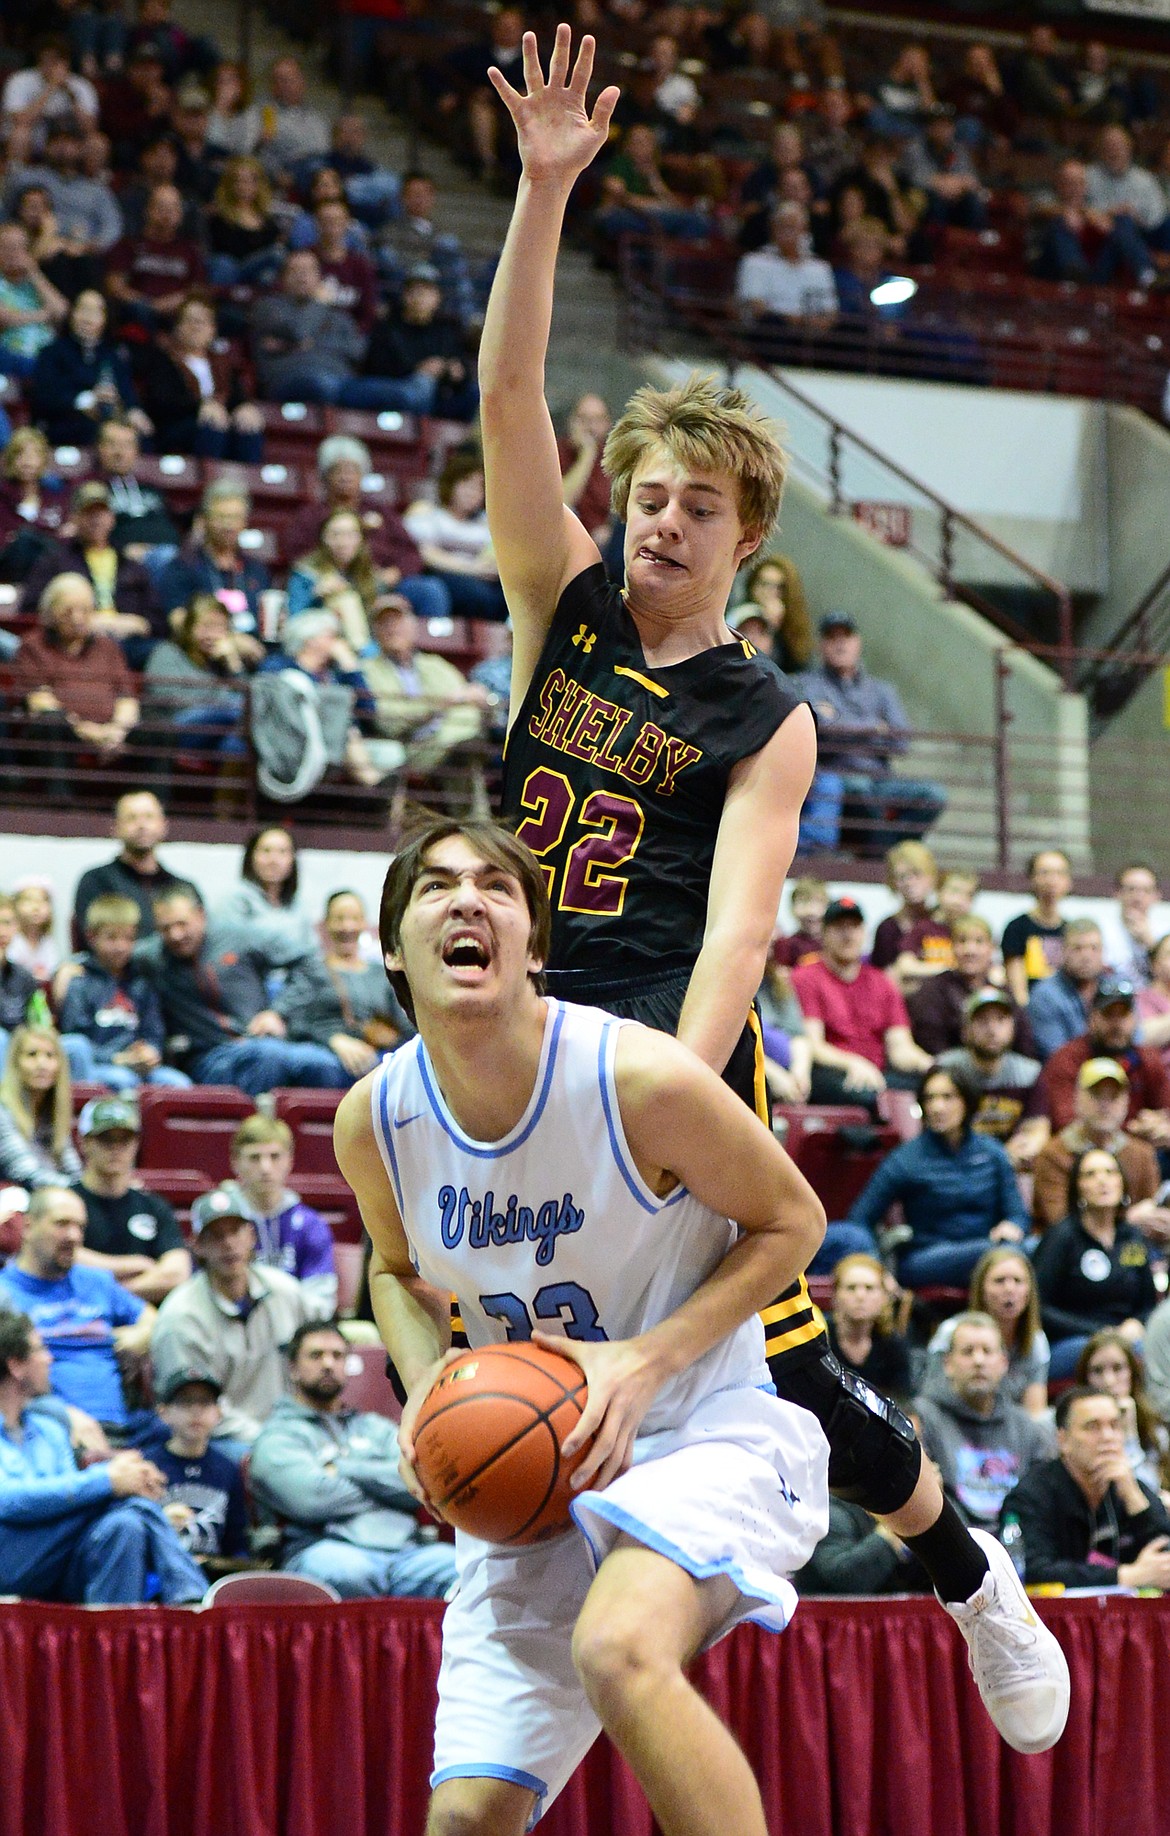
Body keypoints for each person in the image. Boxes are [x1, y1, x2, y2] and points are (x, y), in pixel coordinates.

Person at [478, 32, 1066, 1762]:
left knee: (790, 1369)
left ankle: (967, 1572)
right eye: (646, 495)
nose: (658, 521)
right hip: (518, 1039)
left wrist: (655, 1095)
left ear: (749, 540)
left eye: (695, 507)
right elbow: (510, 404)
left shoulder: (766, 715)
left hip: (667, 1054)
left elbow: (739, 928)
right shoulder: (559, 607)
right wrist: (541, 194)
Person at [0, 1309, 204, 1605]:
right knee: (126, 1502)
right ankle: (190, 1596)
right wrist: (109, 1480)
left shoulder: (49, 1430)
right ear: (16, 1365)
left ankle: (112, 1647)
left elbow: (70, 1506)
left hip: (56, 1558)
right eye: (40, 1349)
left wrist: (112, 1485)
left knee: (125, 1526)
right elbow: (8, 1502)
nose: (50, 1358)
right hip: (9, 1559)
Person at [250, 1318, 458, 1598]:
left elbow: (422, 1482)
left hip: (409, 1554)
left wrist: (342, 1469)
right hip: (328, 1550)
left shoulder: (376, 1428)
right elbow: (312, 1498)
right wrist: (386, 1487)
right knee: (348, 1572)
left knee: (458, 1567)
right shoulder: (278, 1435)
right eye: (315, 1355)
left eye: (337, 1356)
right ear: (293, 1368)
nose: (328, 1364)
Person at [139, 884, 352, 1094]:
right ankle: (252, 1129)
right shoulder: (152, 956)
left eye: (182, 924)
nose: (175, 935)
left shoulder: (239, 938)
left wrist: (278, 1012)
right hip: (209, 1056)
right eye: (165, 928)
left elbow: (309, 962)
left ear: (201, 915)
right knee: (269, 1055)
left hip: (262, 1041)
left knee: (326, 1064)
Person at [150, 1184, 312, 1452]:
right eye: (215, 1235)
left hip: (293, 1430)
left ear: (251, 1236)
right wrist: (268, 1439)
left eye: (235, 1231)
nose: (228, 1243)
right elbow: (191, 1411)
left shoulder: (287, 1292)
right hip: (221, 1441)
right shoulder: (180, 1317)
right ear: (197, 1246)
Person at [847, 1063, 1029, 1290]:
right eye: (930, 1098)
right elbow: (859, 1219)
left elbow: (1018, 1214)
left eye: (947, 1097)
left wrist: (1012, 1225)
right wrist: (875, 1267)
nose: (937, 1107)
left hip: (992, 1249)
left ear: (968, 1101)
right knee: (1003, 1255)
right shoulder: (906, 1158)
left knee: (1038, 1247)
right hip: (929, 1257)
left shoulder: (992, 1153)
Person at [0, 1184, 155, 1434]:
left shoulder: (96, 1281)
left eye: (80, 1227)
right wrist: (60, 1415)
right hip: (53, 1427)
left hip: (127, 1424)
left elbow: (153, 1319)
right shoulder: (4, 1294)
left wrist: (139, 1335)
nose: (74, 1236)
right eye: (62, 1224)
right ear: (28, 1227)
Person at [793, 613, 946, 852]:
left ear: (858, 642)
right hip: (835, 776)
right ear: (821, 645)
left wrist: (841, 723)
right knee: (858, 789)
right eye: (832, 637)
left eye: (847, 636)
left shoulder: (883, 690)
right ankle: (886, 854)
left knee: (933, 795)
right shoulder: (806, 684)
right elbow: (819, 727)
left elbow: (901, 742)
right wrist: (875, 727)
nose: (840, 643)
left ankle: (885, 850)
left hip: (880, 779)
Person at [1008, 1388, 1170, 1591]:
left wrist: (1134, 1498)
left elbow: (1165, 1560)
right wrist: (1126, 1575)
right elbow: (1031, 1569)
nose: (1107, 1436)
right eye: (1092, 1427)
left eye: (1115, 1425)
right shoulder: (1031, 1495)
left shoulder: (1131, 1487)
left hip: (1126, 1618)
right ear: (1063, 1440)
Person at [913, 1313, 1052, 1531]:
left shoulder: (1026, 1427)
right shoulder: (924, 1417)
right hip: (950, 1539)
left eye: (987, 1352)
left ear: (1003, 1363)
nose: (979, 1361)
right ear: (948, 1364)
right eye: (968, 1352)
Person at [791, 896, 931, 1111]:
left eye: (854, 927)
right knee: (872, 1097)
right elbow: (814, 1045)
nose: (848, 935)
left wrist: (931, 1066)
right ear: (824, 933)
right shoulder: (805, 978)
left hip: (877, 1075)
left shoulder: (882, 982)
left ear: (864, 932)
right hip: (832, 1072)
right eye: (839, 927)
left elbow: (900, 1047)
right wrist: (853, 1063)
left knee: (931, 1090)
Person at [1033, 1147, 1160, 1378]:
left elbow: (1148, 1304)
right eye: (1090, 1174)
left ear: (1122, 1184)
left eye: (1110, 1172)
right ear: (1077, 1188)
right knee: (1128, 1354)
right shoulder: (1062, 1237)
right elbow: (1039, 1307)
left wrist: (1137, 1324)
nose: (1103, 1180)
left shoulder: (1132, 1238)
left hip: (1126, 1339)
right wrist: (1102, 1333)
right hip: (1072, 1342)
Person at [11, 572, 139, 792]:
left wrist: (116, 731)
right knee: (50, 723)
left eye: (85, 610)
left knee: (160, 732)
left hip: (112, 732)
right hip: (66, 731)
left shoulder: (107, 647)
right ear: (49, 613)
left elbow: (127, 698)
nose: (77, 618)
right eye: (68, 611)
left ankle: (149, 815)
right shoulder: (32, 646)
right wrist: (91, 732)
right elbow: (40, 702)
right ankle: (61, 811)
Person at [271, 890, 411, 1086]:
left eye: (354, 918)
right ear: (326, 924)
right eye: (339, 918)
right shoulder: (311, 969)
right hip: (324, 1053)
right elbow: (293, 1021)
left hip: (376, 1052)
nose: (347, 926)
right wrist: (334, 1040)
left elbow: (405, 1024)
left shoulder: (383, 974)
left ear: (364, 923)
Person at [18, 481, 163, 666]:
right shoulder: (54, 561)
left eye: (102, 512)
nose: (96, 519)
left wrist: (138, 623)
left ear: (112, 517)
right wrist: (86, 622)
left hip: (129, 643)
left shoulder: (131, 565)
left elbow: (157, 620)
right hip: (74, 644)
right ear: (74, 518)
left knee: (162, 652)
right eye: (88, 513)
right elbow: (31, 610)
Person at [363, 593, 490, 799]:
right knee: (465, 752)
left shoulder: (436, 665)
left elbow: (468, 700)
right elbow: (389, 721)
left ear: (414, 626)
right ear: (375, 631)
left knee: (464, 752)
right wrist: (443, 703)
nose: (391, 628)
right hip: (411, 747)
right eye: (384, 623)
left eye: (398, 621)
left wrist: (480, 698)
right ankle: (476, 826)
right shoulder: (368, 670)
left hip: (451, 742)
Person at [58, 894, 190, 1091]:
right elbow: (76, 1043)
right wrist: (115, 1058)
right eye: (111, 938)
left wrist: (150, 1052)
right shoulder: (80, 982)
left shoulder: (141, 984)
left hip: (139, 1068)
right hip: (99, 1067)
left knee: (179, 1084)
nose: (120, 947)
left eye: (128, 938)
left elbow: (154, 1033)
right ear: (92, 937)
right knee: (122, 1080)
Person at [71, 1095, 191, 1303]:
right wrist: (132, 1264)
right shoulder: (67, 1202)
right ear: (84, 1143)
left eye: (124, 1139)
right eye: (106, 1139)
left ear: (136, 1144)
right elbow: (62, 1257)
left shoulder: (154, 1206)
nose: (116, 1148)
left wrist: (115, 1295)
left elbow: (176, 1272)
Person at [1031, 1058, 1165, 1238]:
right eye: (1096, 1095)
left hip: (1130, 1247)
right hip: (1068, 1253)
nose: (1105, 1105)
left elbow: (1151, 1209)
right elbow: (1059, 1220)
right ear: (1077, 1097)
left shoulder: (1142, 1153)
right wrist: (1129, 1220)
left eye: (1114, 1096)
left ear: (1126, 1102)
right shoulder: (1053, 1154)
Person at [1036, 976, 1170, 1145]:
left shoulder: (1147, 1059)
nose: (1117, 1024)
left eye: (1124, 1015)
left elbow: (1166, 1109)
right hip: (1084, 1153)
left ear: (1135, 1019)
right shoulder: (1067, 1060)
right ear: (1091, 1018)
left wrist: (1160, 1126)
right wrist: (1133, 1130)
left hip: (1143, 1149)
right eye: (1109, 1015)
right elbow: (1065, 1123)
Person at [224, 1114, 337, 1313]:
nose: (265, 1168)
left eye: (274, 1157)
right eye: (254, 1158)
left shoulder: (311, 1225)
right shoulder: (221, 1224)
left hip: (297, 1330)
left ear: (290, 1161)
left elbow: (321, 1302)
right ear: (235, 1161)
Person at [132, 292, 263, 462]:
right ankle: (208, 483)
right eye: (190, 320)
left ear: (213, 330)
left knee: (248, 424)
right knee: (211, 425)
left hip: (219, 423)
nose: (196, 327)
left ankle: (249, 483)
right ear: (177, 327)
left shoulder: (221, 363)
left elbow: (237, 397)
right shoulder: (163, 359)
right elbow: (162, 401)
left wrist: (245, 407)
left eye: (203, 322)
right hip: (177, 427)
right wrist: (201, 407)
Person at [922, 1248, 1050, 1418]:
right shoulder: (950, 1332)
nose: (1010, 1289)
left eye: (1018, 1281)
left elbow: (1035, 1414)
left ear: (1029, 1291)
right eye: (999, 1281)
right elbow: (930, 1400)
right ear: (981, 1289)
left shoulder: (1036, 1341)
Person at [935, 987, 1045, 1167]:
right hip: (956, 1166)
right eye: (982, 1021)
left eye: (1001, 1020)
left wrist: (1017, 1152)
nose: (992, 1029)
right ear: (965, 1029)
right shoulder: (946, 1071)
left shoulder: (1029, 1073)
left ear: (1013, 1027)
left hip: (1011, 1167)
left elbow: (1037, 1132)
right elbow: (939, 1135)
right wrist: (998, 1155)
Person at [148, 1368, 250, 1563]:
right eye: (185, 1402)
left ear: (218, 1413)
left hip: (211, 1575)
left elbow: (237, 1543)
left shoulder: (228, 1470)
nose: (196, 1411)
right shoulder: (147, 1465)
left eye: (205, 1402)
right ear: (163, 1412)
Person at [141, 592, 259, 757]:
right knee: (240, 708)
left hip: (217, 730)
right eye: (206, 627)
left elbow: (248, 696)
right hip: (172, 730)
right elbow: (170, 699)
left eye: (221, 628)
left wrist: (234, 663)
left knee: (235, 744)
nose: (214, 635)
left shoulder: (222, 661)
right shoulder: (166, 653)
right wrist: (225, 701)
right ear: (189, 628)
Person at [364, 262, 479, 424]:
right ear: (405, 295)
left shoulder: (446, 329)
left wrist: (458, 371)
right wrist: (418, 370)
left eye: (427, 292)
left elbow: (460, 364)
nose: (420, 298)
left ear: (437, 298)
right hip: (399, 391)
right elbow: (374, 367)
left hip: (440, 395)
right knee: (421, 385)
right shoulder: (388, 327)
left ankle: (466, 444)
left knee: (475, 393)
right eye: (415, 291)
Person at [71, 790, 192, 943]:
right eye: (131, 818)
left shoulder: (183, 888)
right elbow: (92, 941)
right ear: (115, 827)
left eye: (149, 817)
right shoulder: (96, 882)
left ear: (164, 825)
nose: (142, 825)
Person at [28, 288, 144, 448]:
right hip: (65, 422)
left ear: (105, 319)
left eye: (96, 312)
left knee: (142, 435)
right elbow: (44, 398)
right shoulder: (52, 352)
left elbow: (126, 393)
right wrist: (87, 400)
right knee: (90, 428)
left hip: (109, 422)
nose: (88, 318)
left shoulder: (112, 355)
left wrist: (133, 410)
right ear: (72, 314)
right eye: (83, 309)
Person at [402, 452, 508, 622]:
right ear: (451, 483)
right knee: (476, 594)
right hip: (445, 574)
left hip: (486, 580)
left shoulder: (487, 522)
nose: (472, 492)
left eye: (478, 487)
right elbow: (425, 554)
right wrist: (473, 568)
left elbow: (497, 554)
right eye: (466, 484)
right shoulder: (429, 513)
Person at [157, 478, 270, 635]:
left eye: (235, 517)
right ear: (204, 520)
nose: (228, 525)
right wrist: (228, 640)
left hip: (255, 650)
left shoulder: (255, 569)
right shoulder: (183, 565)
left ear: (245, 521)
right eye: (221, 517)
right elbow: (178, 620)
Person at [906, 914, 1020, 1057]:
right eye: (962, 941)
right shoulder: (932, 991)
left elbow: (1022, 1042)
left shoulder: (1003, 992)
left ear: (991, 948)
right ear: (951, 947)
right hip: (947, 1068)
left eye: (979, 942)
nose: (970, 951)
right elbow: (930, 1043)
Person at [1075, 1330, 1170, 1500]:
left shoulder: (1154, 1428)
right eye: (1097, 1371)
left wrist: (1130, 1434)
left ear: (1133, 1374)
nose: (1109, 1381)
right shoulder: (1075, 1429)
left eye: (1118, 1368)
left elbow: (1147, 1493)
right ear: (1085, 1379)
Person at [212, 825, 317, 970]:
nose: (273, 860)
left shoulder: (299, 905)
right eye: (266, 851)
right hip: (244, 980)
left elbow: (313, 952)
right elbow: (231, 950)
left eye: (282, 852)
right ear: (251, 856)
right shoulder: (233, 899)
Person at [105, 182, 206, 331]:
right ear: (148, 210)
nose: (167, 213)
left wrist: (176, 301)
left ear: (180, 214)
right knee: (138, 310)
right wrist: (150, 304)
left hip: (177, 315)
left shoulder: (190, 249)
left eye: (173, 208)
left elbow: (198, 290)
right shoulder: (128, 245)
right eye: (161, 207)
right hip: (138, 313)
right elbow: (114, 286)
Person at [287, 507, 384, 651]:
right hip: (316, 643)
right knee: (345, 599)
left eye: (351, 534)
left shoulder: (368, 575)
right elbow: (293, 619)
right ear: (324, 538)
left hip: (360, 643)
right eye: (336, 534)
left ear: (361, 539)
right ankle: (365, 652)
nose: (343, 542)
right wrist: (316, 595)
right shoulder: (306, 572)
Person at [736, 201, 839, 335]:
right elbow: (756, 307)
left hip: (811, 336)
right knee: (772, 322)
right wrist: (794, 321)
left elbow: (830, 313)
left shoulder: (820, 268)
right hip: (769, 333)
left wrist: (803, 323)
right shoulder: (754, 262)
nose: (788, 232)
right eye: (783, 226)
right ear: (773, 228)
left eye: (793, 226)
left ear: (805, 230)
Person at [0, 1026, 82, 1189]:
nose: (41, 1064)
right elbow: (26, 1173)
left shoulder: (55, 1112)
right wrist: (83, 1190)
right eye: (31, 1055)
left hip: (54, 1195)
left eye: (50, 1055)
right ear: (16, 1063)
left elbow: (73, 1168)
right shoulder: (3, 1109)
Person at [869, 840, 952, 991]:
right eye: (901, 877)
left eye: (916, 874)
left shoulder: (944, 922)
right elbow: (881, 981)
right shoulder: (888, 929)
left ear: (932, 876)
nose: (909, 883)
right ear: (892, 883)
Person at [825, 1252, 910, 1399]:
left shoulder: (892, 1345)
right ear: (835, 1296)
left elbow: (903, 1401)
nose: (860, 1296)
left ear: (884, 1297)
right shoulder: (820, 1339)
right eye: (851, 1288)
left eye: (869, 1288)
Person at [1028, 918, 1105, 1062]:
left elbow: (1136, 1040)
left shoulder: (1117, 986)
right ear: (1062, 951)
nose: (1086, 956)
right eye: (1077, 948)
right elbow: (1056, 1055)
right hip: (1067, 1075)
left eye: (1094, 948)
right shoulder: (1044, 995)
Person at [1001, 850, 1070, 1007]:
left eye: (1059, 873)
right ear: (1032, 879)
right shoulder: (1017, 928)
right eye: (1044, 872)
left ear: (1068, 881)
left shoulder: (1070, 931)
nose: (1052, 880)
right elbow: (1018, 990)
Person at [0, 220, 67, 380]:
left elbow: (62, 312)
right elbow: (5, 319)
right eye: (7, 247)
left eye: (19, 247)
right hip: (10, 355)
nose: (13, 253)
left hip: (45, 354)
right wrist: (44, 315)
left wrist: (34, 273)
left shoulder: (38, 280)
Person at [735, 554, 814, 674]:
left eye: (778, 587)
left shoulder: (794, 630)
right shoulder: (739, 616)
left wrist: (774, 628)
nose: (770, 592)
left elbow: (798, 666)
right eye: (764, 584)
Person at [1102, 862, 1161, 989]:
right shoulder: (1102, 933)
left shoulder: (1164, 936)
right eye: (1131, 889)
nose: (1138, 897)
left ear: (1156, 896)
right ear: (1117, 893)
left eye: (1146, 890)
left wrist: (1151, 945)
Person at [0, 896, 38, 1067]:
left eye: (7, 923)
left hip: (20, 1049)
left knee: (75, 1046)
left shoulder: (24, 977)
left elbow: (38, 1022)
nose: (1, 931)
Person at [770, 877, 826, 970]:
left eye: (818, 902)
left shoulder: (833, 944)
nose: (811, 911)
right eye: (803, 903)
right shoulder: (786, 945)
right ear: (793, 908)